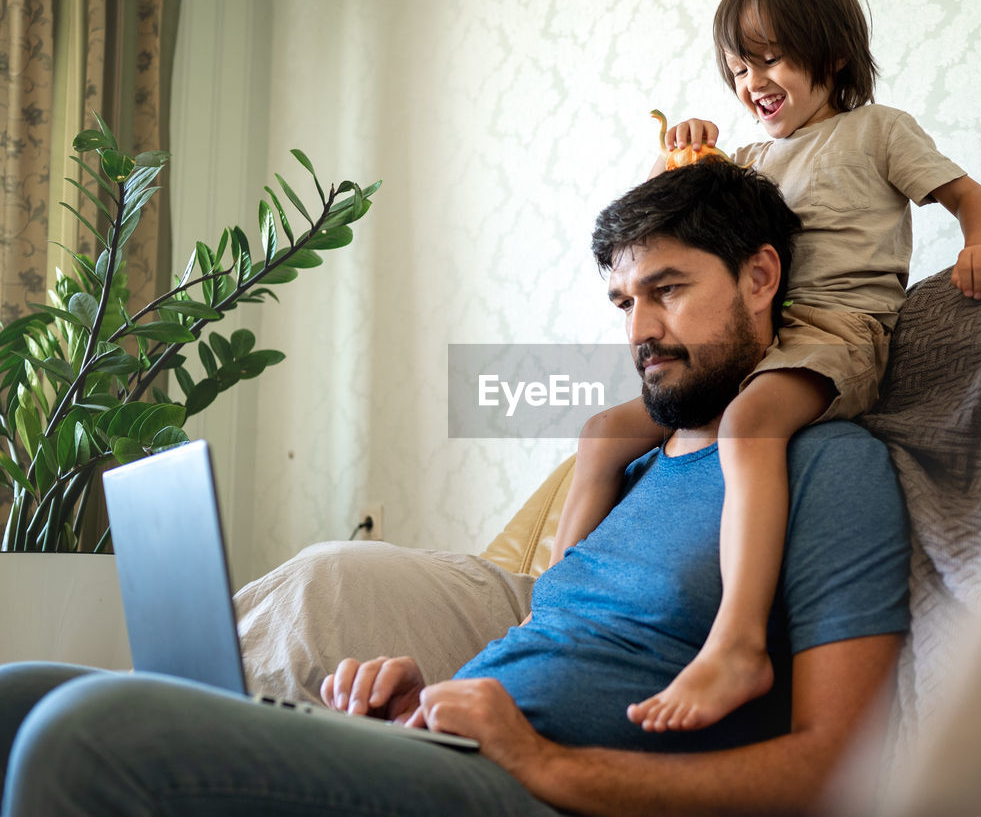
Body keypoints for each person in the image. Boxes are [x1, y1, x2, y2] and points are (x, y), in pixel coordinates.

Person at [0, 160, 911, 816]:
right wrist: (426, 694)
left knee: (82, 728)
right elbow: (555, 652)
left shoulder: (826, 468)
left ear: (761, 277)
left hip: (534, 789)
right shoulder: (630, 469)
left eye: (667, 289)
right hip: (441, 746)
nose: (641, 328)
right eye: (625, 302)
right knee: (22, 694)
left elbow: (832, 770)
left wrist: (545, 763)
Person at [552, 0, 981, 734]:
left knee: (747, 426)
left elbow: (967, 195)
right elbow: (667, 232)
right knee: (602, 433)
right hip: (760, 340)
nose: (750, 82)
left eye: (767, 59)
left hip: (837, 330)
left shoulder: (878, 130)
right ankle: (552, 611)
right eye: (736, 70)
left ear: (828, 54)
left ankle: (738, 640)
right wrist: (680, 153)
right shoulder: (754, 163)